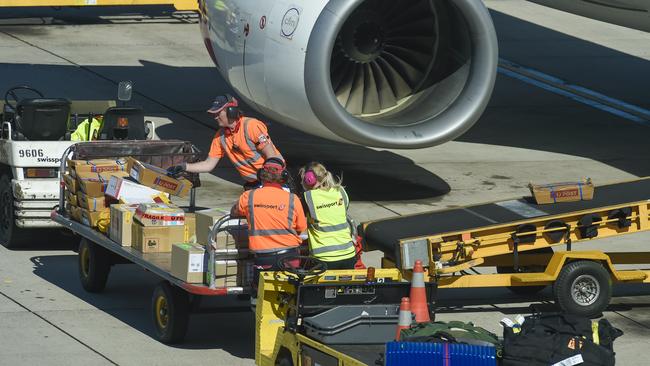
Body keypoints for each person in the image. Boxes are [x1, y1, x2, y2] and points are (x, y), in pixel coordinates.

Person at [167, 94, 283, 189]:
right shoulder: (220, 137)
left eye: (218, 113)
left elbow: (271, 156)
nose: (215, 117)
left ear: (231, 111)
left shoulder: (251, 126)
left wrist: (269, 184)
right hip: (254, 184)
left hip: (273, 180)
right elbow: (208, 165)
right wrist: (184, 167)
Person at [230, 157, 307, 288]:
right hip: (290, 257)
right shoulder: (293, 199)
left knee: (260, 295)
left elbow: (234, 212)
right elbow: (301, 229)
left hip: (264, 258)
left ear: (261, 175)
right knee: (290, 294)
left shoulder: (249, 196)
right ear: (284, 176)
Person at [299, 162, 357, 270]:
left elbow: (297, 221)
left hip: (324, 258)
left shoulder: (308, 198)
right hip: (349, 254)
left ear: (309, 179)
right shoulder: (341, 191)